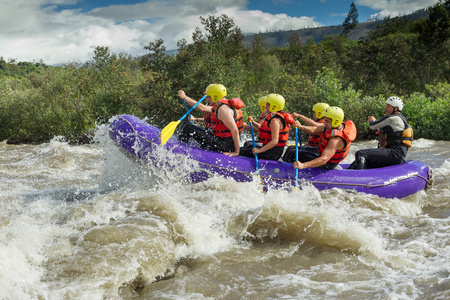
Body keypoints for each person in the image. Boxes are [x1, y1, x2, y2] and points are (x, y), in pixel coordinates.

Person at [177, 84, 244, 156]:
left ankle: (179, 151)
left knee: (187, 127)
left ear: (215, 97)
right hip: (223, 142)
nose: (206, 98)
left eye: (208, 97)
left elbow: (235, 130)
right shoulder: (223, 106)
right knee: (185, 124)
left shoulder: (223, 109)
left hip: (224, 146)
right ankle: (182, 146)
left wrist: (237, 152)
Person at [347, 96, 413, 169]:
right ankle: (346, 173)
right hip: (398, 156)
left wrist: (371, 120)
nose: (385, 108)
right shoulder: (402, 119)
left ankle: (359, 177)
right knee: (361, 161)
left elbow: (372, 126)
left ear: (396, 108)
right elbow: (395, 134)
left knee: (360, 154)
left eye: (388, 106)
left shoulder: (392, 118)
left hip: (394, 154)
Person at [293, 106, 357, 170]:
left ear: (336, 121)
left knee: (294, 154)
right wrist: (301, 127)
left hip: (328, 164)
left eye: (326, 121)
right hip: (322, 153)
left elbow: (324, 159)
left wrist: (303, 165)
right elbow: (315, 129)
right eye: (324, 120)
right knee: (292, 149)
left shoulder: (335, 140)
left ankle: (289, 169)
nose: (324, 123)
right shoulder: (334, 126)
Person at [240, 94, 294, 161]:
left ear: (273, 107)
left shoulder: (275, 121)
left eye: (267, 106)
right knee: (246, 147)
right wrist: (253, 122)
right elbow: (263, 128)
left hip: (272, 153)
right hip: (270, 150)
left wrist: (259, 150)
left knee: (241, 152)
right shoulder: (274, 118)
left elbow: (275, 141)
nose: (265, 108)